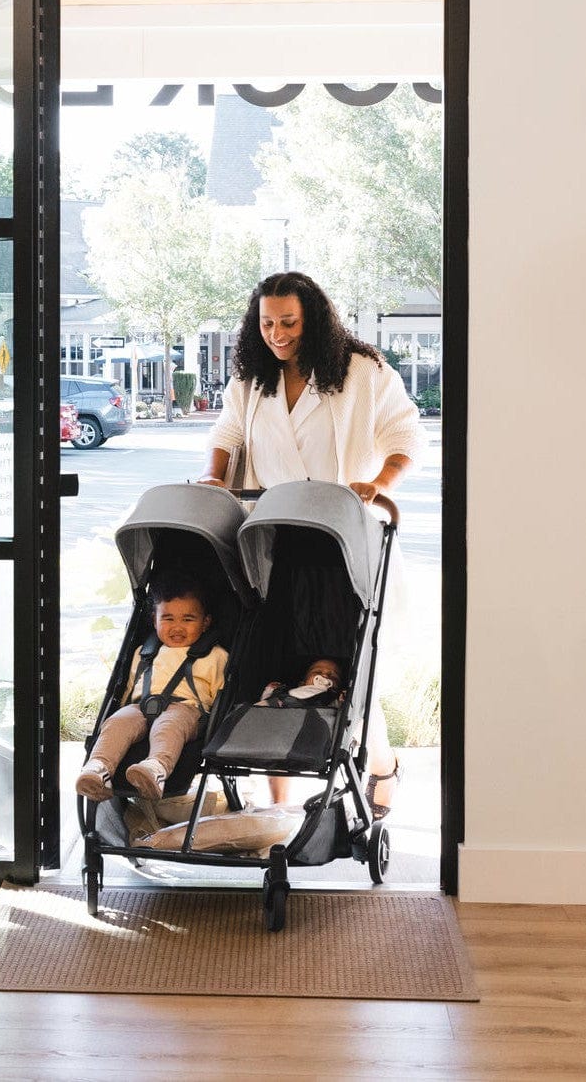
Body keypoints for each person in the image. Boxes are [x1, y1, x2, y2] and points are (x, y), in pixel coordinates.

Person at [197, 270, 421, 817]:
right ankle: (278, 808)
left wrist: (379, 484)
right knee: (274, 660)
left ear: (313, 319)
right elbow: (227, 434)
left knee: (349, 664)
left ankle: (382, 766)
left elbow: (404, 435)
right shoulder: (253, 378)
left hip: (338, 536)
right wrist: (213, 477)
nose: (277, 334)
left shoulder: (362, 372)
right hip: (270, 537)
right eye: (267, 323)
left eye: (289, 323)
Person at [75, 570, 228, 802]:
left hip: (187, 711)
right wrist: (124, 709)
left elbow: (221, 695)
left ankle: (156, 768)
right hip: (141, 706)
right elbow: (129, 688)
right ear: (154, 620)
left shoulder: (215, 656)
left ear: (205, 623)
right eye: (168, 619)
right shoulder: (144, 652)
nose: (177, 627)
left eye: (188, 619)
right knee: (117, 722)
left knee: (169, 724)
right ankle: (98, 769)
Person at [258, 656, 346, 707]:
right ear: (302, 684)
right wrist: (269, 690)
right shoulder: (284, 693)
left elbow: (336, 709)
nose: (325, 676)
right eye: (318, 672)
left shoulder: (330, 700)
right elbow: (264, 706)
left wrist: (341, 701)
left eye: (333, 676)